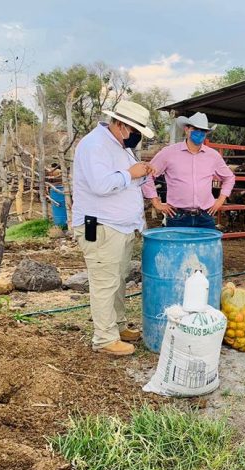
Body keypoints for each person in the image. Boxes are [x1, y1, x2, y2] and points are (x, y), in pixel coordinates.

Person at [72, 100, 156, 356]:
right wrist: (131, 173)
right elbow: (101, 184)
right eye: (134, 131)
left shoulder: (119, 146)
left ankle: (116, 327)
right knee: (104, 283)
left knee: (117, 280)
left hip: (120, 226)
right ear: (119, 125)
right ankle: (104, 338)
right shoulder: (94, 145)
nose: (136, 137)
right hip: (100, 225)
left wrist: (140, 173)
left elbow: (126, 180)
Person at [142, 113, 235, 228]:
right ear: (186, 130)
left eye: (203, 130)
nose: (199, 133)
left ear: (206, 133)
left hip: (205, 216)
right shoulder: (169, 153)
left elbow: (229, 177)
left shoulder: (213, 156)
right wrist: (156, 203)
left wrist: (220, 200)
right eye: (195, 129)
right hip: (178, 216)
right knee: (178, 246)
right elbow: (147, 174)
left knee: (205, 246)